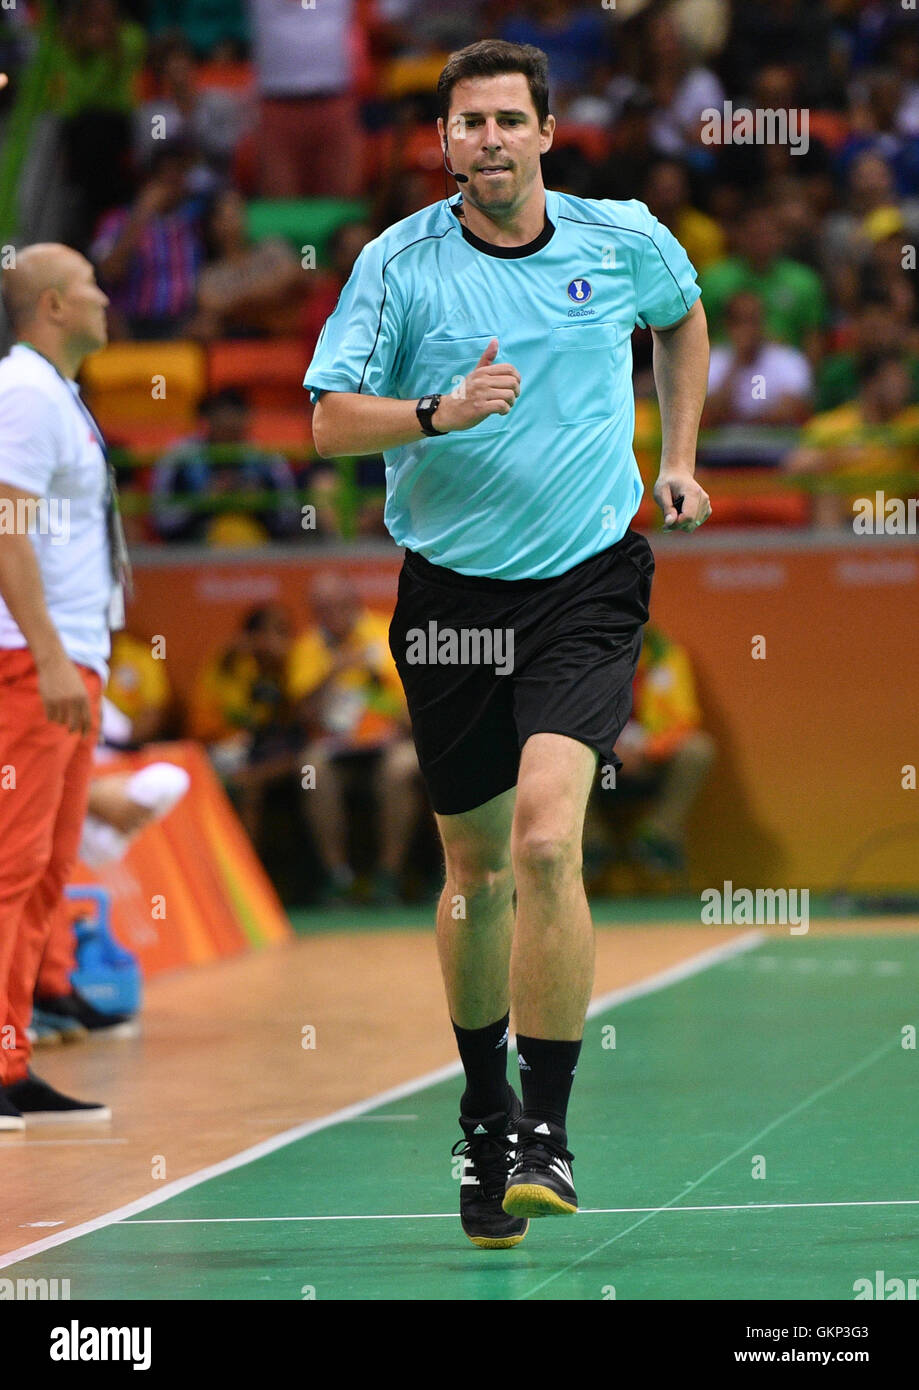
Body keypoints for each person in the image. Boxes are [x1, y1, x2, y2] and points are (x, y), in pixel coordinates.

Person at [305, 39, 711, 1248]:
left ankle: (548, 1126)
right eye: (465, 123)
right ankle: (483, 1112)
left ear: (546, 131)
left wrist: (678, 459)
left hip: (586, 578)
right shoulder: (397, 265)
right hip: (448, 598)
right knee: (475, 874)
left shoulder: (620, 237)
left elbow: (680, 325)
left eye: (506, 120)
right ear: (443, 143)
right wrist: (436, 413)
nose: (486, 139)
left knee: (545, 840)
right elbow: (328, 420)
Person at [0, 242, 126, 1128]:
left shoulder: (58, 395)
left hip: (70, 653)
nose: (104, 296)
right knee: (12, 866)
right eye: (88, 285)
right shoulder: (25, 395)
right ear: (50, 303)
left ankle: (14, 1053)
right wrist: (45, 655)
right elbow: (5, 524)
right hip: (27, 659)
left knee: (45, 867)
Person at [289, 573, 419, 906]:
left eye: (341, 606)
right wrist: (333, 670)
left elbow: (418, 698)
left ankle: (389, 875)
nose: (334, 615)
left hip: (392, 740)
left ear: (355, 603)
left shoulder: (388, 631)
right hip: (337, 747)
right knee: (312, 769)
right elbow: (302, 714)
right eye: (323, 609)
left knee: (401, 767)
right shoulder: (307, 646)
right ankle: (339, 877)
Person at [150, 388, 300, 544]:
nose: (228, 423)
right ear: (207, 418)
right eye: (222, 421)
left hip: (260, 551)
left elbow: (290, 517)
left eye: (234, 421)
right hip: (192, 552)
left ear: (246, 420)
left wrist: (261, 504)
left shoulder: (267, 458)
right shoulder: (180, 457)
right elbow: (163, 520)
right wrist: (202, 502)